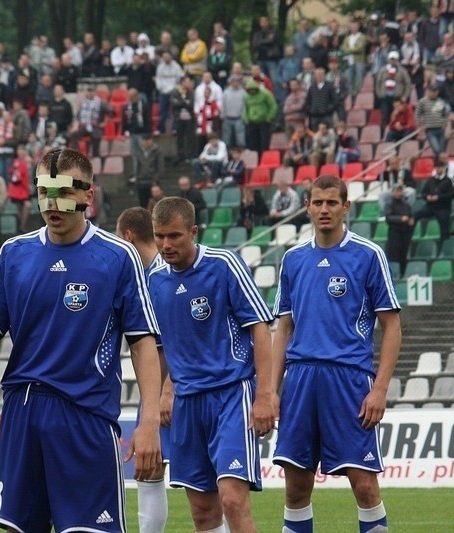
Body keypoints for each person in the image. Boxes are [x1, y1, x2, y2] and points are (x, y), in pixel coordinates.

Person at [0, 148, 162, 533]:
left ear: (88, 196)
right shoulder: (14, 254)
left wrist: (149, 422)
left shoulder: (118, 256)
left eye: (64, 193)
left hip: (85, 415)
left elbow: (143, 343)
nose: (52, 205)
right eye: (44, 193)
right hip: (22, 411)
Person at [272, 175, 401, 533]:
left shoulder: (368, 255)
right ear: (307, 206)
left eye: (332, 202)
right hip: (300, 380)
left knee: (364, 485)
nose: (324, 209)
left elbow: (391, 326)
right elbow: (283, 329)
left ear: (346, 206)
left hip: (349, 379)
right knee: (296, 489)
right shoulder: (293, 259)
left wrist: (380, 389)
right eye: (317, 202)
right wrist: (270, 390)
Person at [148, 196, 275, 532]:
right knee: (203, 513)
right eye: (159, 236)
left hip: (231, 394)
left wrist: (265, 395)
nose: (165, 244)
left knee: (232, 500)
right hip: (187, 403)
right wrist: (165, 389)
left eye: (174, 236)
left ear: (194, 231)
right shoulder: (154, 280)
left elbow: (260, 328)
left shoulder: (224, 265)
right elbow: (164, 345)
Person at [115, 207, 171, 533]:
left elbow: (185, 338)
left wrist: (169, 389)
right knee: (148, 469)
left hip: (181, 388)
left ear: (128, 237)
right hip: (156, 390)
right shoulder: (143, 278)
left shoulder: (165, 274)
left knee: (207, 484)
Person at [413, 159, 454, 242]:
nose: (438, 169)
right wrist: (427, 197)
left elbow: (451, 195)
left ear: (444, 168)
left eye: (440, 167)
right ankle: (410, 235)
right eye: (437, 167)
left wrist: (439, 197)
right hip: (430, 207)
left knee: (444, 223)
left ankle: (444, 243)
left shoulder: (448, 180)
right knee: (415, 215)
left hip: (443, 207)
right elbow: (423, 193)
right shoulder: (431, 180)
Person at [384, 185, 414, 275]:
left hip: (405, 233)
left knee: (403, 256)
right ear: (392, 192)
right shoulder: (389, 204)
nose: (398, 193)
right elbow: (388, 218)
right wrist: (401, 219)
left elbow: (411, 215)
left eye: (400, 191)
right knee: (393, 256)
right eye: (396, 191)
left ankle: (402, 274)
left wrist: (411, 220)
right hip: (394, 234)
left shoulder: (406, 205)